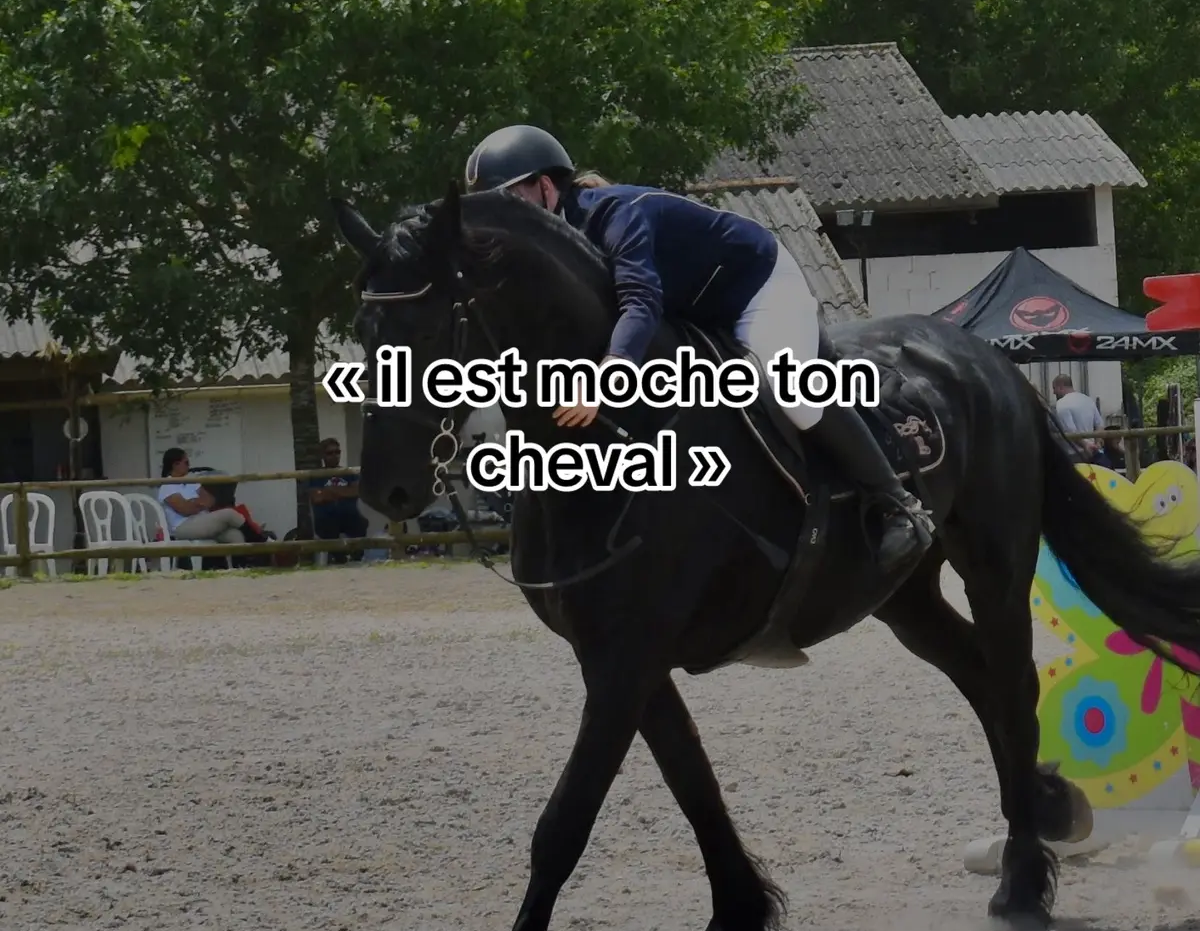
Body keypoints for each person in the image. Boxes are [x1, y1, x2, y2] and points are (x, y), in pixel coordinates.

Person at [464, 124, 934, 580]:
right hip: (693, 302)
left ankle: (898, 505)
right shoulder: (559, 248)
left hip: (757, 288)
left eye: (508, 198)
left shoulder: (616, 212)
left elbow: (640, 302)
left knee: (793, 391)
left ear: (546, 187)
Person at [157, 449, 248, 553]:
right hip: (183, 527)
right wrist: (198, 503)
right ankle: (260, 538)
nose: (189, 466)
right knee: (229, 514)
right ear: (175, 464)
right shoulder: (167, 486)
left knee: (235, 535)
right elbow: (186, 510)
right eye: (186, 463)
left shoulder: (190, 481)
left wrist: (193, 502)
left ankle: (241, 567)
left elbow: (211, 500)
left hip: (202, 520)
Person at [308, 437, 369, 556]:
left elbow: (356, 491)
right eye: (330, 453)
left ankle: (357, 557)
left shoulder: (348, 473)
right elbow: (317, 497)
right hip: (326, 518)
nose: (335, 455)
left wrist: (330, 491)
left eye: (337, 452)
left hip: (349, 516)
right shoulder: (316, 475)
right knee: (329, 526)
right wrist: (344, 492)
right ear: (323, 455)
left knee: (361, 523)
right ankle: (338, 558)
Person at [1050, 375, 1104, 461]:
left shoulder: (1061, 404)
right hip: (1093, 452)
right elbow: (1099, 425)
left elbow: (1070, 430)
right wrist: (1097, 443)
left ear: (1061, 386)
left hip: (1074, 453)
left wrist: (1085, 445)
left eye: (1054, 388)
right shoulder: (1088, 400)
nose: (1053, 392)